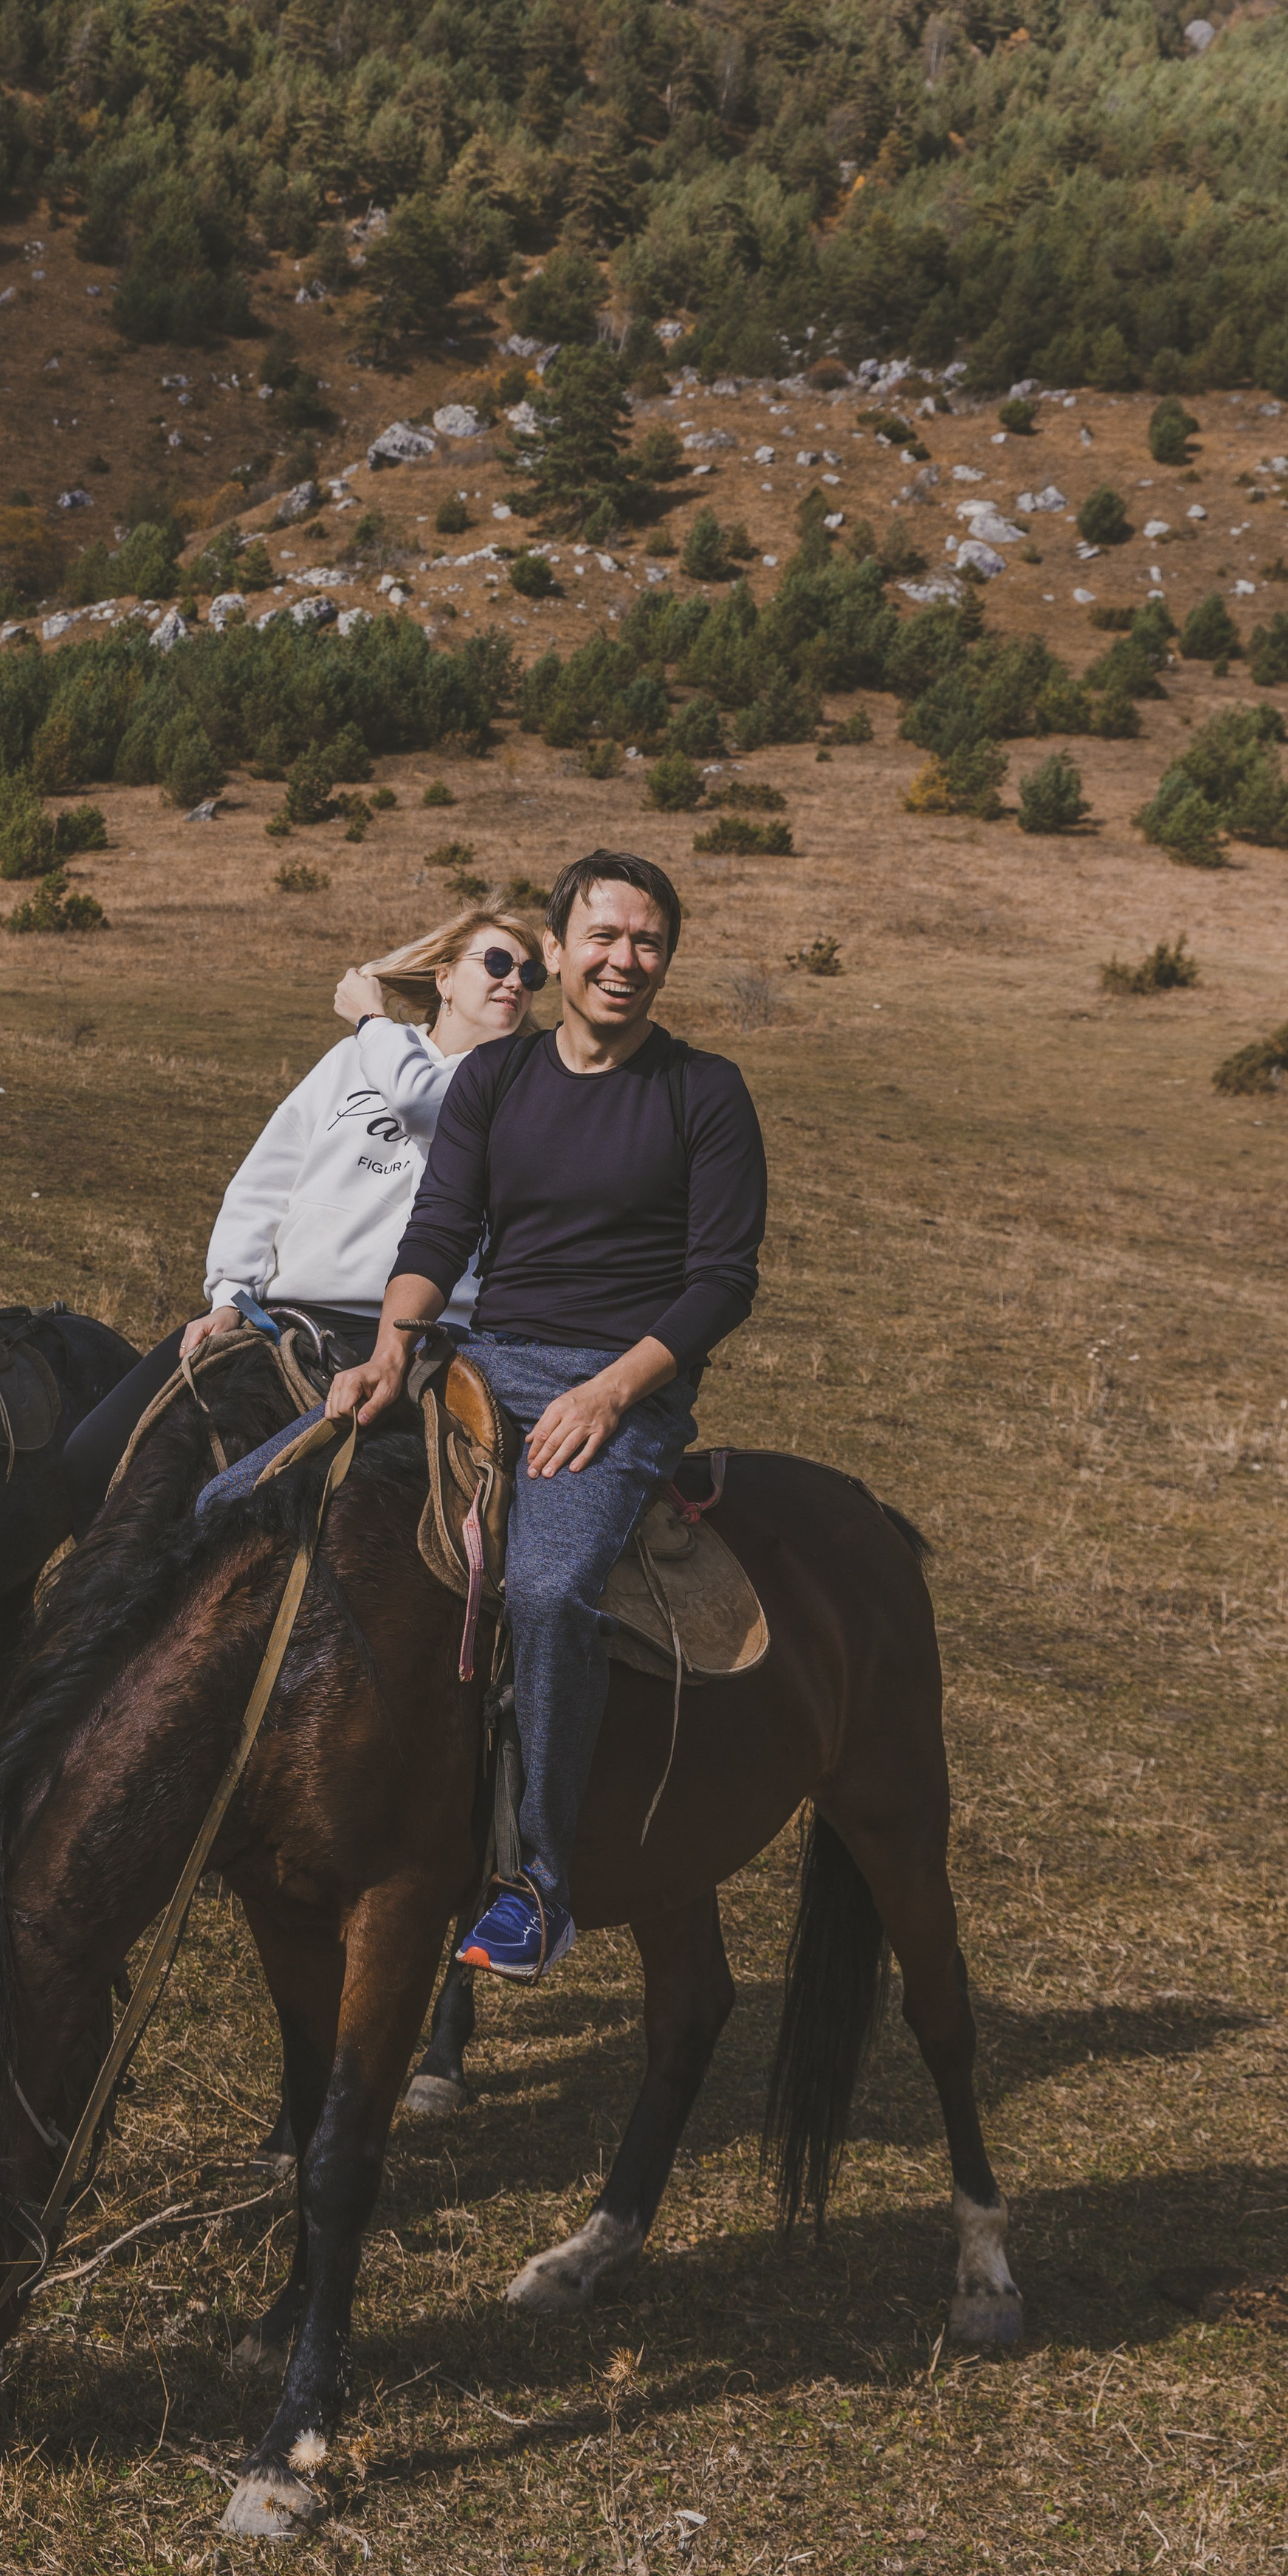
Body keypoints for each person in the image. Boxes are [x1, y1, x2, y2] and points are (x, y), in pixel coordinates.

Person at [325, 849, 768, 1980]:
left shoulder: (702, 1092)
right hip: (481, 1361)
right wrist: (391, 1351)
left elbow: (722, 1281)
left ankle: (539, 1886)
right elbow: (439, 1231)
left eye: (650, 941)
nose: (627, 960)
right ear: (559, 951)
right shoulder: (495, 1081)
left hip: (622, 1389)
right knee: (270, 1485)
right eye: (605, 938)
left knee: (548, 1585)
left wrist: (616, 1391)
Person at [59, 908, 545, 1529]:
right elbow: (267, 1180)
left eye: (529, 973)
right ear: (445, 979)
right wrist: (230, 1294)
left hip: (410, 1339)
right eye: (498, 963)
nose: (515, 982)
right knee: (91, 1459)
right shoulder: (350, 1061)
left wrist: (374, 1021)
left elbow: (423, 1104)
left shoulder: (523, 1083)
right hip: (281, 1317)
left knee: (289, 1522)